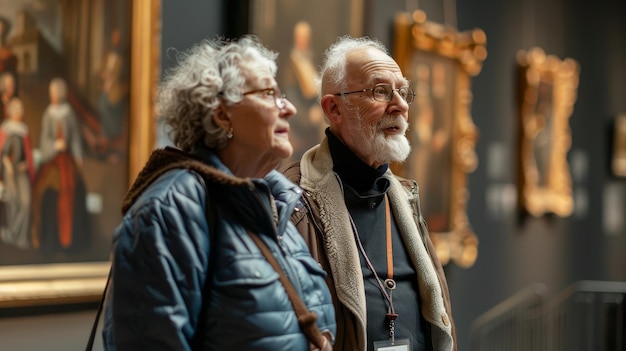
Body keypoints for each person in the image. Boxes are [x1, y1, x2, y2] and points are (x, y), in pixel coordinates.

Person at [102, 35, 336, 350]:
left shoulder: (278, 204)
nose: (290, 108)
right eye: (270, 94)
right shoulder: (169, 211)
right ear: (222, 114)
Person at [281, 35, 456, 350]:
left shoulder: (405, 196)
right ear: (334, 108)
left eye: (402, 91)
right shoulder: (290, 200)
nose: (401, 105)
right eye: (380, 91)